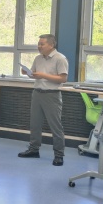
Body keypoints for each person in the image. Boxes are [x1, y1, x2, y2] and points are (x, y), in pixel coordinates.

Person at [18, 34, 68, 166]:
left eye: (42, 44)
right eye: (38, 44)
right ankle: (34, 150)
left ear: (51, 45)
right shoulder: (38, 58)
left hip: (52, 95)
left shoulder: (60, 58)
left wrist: (43, 75)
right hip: (37, 93)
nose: (39, 46)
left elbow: (63, 78)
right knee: (35, 124)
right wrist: (27, 73)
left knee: (55, 126)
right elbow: (35, 75)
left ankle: (59, 155)